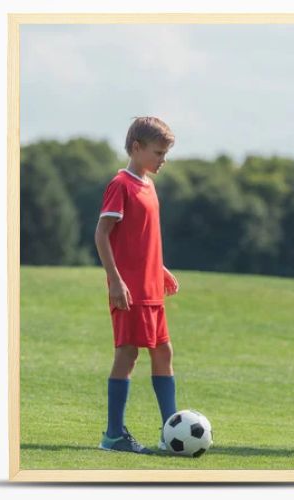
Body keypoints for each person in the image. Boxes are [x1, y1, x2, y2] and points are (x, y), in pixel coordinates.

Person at [94, 116, 180, 454]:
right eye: (158, 153)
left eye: (165, 154)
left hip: (151, 289)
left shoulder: (148, 184)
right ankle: (113, 435)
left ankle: (171, 432)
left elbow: (140, 238)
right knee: (127, 355)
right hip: (129, 291)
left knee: (163, 352)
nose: (163, 160)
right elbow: (103, 234)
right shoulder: (121, 184)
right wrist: (116, 281)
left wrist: (159, 268)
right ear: (136, 148)